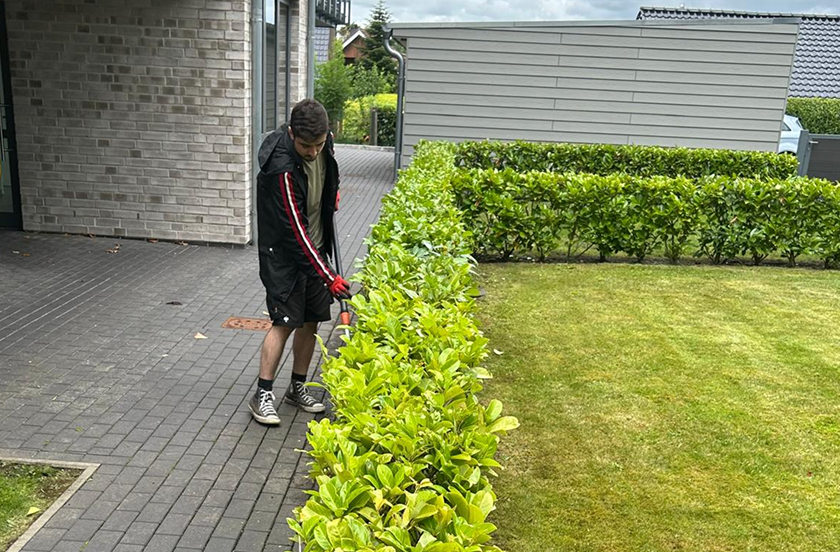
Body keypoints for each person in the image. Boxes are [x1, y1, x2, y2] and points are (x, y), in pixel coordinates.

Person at [250, 99, 351, 426]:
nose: (312, 152)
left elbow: (327, 168)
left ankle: (297, 386)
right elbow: (295, 232)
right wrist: (330, 277)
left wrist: (330, 191)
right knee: (284, 321)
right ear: (292, 133)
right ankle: (263, 394)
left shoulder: (325, 144)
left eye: (318, 145)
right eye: (305, 146)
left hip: (316, 249)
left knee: (311, 320)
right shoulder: (280, 167)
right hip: (286, 256)